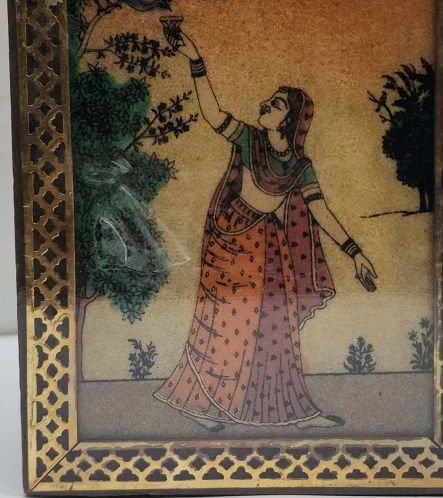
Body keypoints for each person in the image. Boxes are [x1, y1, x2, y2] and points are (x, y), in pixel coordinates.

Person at [153, 31, 378, 432]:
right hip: (230, 239)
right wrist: (195, 60)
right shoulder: (249, 138)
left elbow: (321, 212)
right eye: (269, 100)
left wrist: (355, 252)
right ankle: (196, 403)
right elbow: (213, 114)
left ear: (288, 120)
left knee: (277, 328)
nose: (265, 105)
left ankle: (295, 411)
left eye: (275, 104)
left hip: (269, 246)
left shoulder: (300, 166)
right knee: (223, 325)